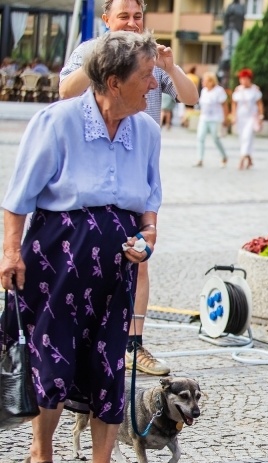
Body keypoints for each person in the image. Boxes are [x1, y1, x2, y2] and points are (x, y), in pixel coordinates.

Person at [0, 30, 161, 463]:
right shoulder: (58, 122)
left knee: (109, 365)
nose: (153, 85)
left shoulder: (147, 131)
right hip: (58, 260)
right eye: (146, 76)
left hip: (117, 266)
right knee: (54, 361)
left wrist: (147, 240)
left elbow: (150, 205)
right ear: (113, 81)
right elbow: (18, 199)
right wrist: (10, 254)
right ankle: (41, 459)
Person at [60, 0, 199, 378]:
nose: (132, 23)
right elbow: (64, 91)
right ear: (106, 19)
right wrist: (101, 59)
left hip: (137, 165)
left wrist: (169, 67)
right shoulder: (90, 50)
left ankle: (134, 345)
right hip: (92, 164)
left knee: (140, 253)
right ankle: (80, 340)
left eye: (138, 16)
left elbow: (190, 97)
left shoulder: (151, 57)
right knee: (86, 251)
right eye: (123, 16)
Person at [231, 68, 263, 170]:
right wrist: (233, 115)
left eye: (245, 78)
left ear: (249, 79)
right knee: (242, 138)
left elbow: (259, 103)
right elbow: (234, 104)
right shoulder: (238, 90)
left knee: (247, 136)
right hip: (241, 117)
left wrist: (261, 116)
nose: (244, 81)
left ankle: (241, 159)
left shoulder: (255, 90)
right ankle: (249, 158)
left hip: (251, 117)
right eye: (242, 79)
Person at [195, 71, 229, 168]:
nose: (203, 83)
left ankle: (224, 156)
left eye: (204, 81)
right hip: (204, 118)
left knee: (216, 138)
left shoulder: (219, 91)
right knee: (200, 137)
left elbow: (224, 105)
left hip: (215, 118)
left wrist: (226, 118)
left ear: (211, 81)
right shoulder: (204, 91)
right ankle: (200, 159)